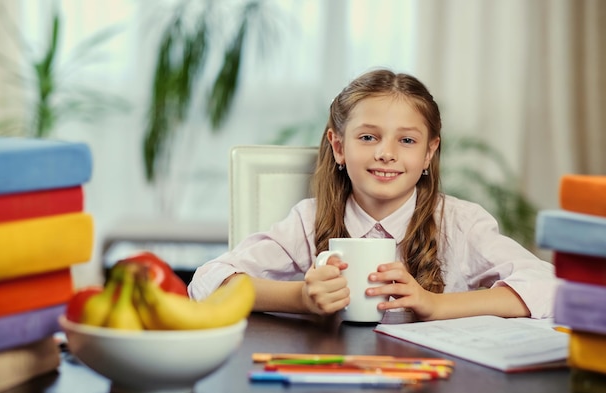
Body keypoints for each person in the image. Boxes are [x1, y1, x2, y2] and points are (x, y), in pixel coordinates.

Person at [189, 68, 558, 320]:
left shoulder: (460, 224)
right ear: (338, 146)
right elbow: (207, 282)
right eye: (368, 137)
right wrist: (300, 298)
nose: (386, 152)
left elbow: (548, 287)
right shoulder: (307, 221)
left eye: (407, 140)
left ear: (429, 152)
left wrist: (436, 304)